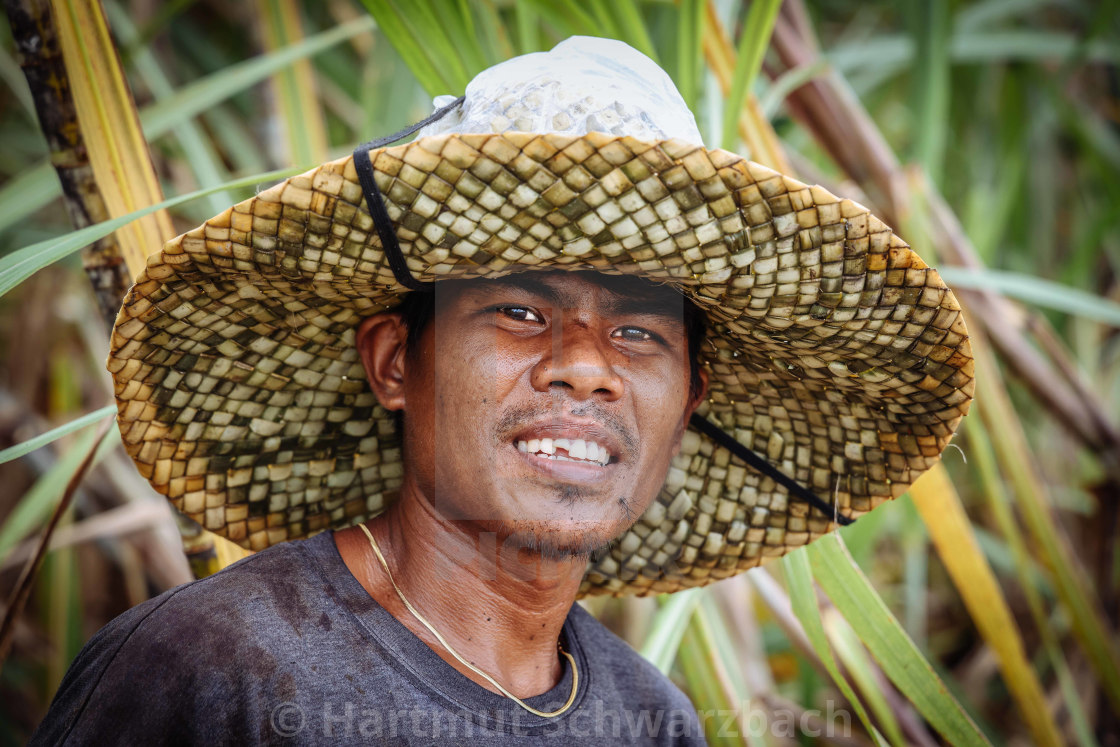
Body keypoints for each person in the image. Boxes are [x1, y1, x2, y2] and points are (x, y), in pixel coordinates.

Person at [32, 37, 974, 744]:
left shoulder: (652, 719)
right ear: (396, 361)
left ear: (689, 402)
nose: (587, 365)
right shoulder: (214, 670)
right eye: (522, 311)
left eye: (640, 331)